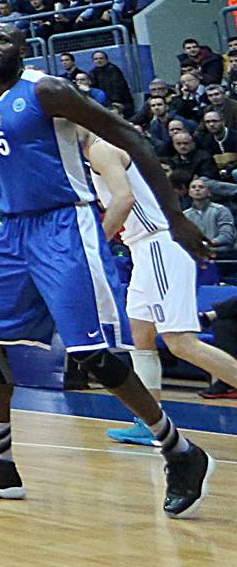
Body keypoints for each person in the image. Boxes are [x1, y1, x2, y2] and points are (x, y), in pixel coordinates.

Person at [0, 21, 213, 518]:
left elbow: (129, 135)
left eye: (2, 40)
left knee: (93, 355)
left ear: (22, 49)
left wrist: (175, 216)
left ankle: (179, 451)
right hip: (12, 233)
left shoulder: (49, 90)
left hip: (65, 226)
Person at [85, 133, 237, 449]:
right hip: (143, 251)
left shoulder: (101, 149)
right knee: (140, 336)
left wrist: (96, 245)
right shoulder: (91, 156)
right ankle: (150, 422)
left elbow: (124, 200)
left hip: (157, 247)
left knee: (181, 343)